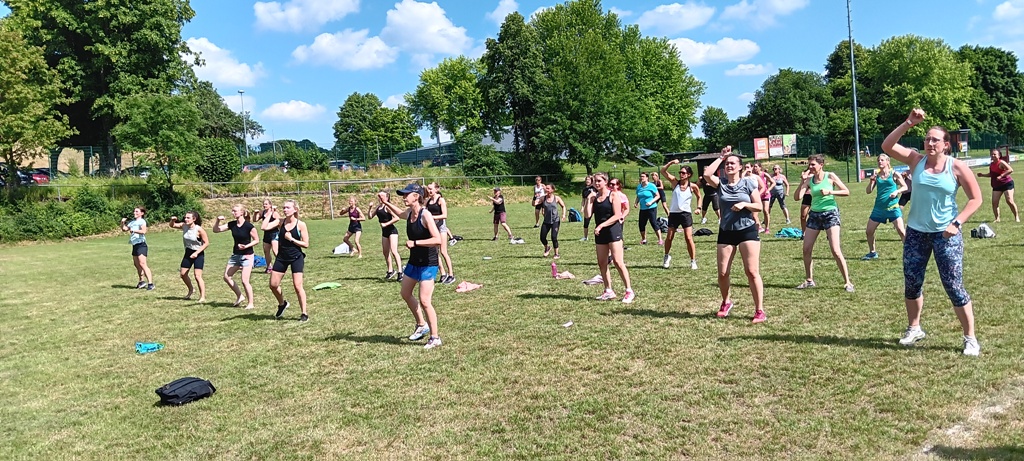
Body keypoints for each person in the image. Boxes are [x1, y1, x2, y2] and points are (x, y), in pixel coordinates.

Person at [882, 108, 983, 356]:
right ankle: (914, 328)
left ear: (946, 145)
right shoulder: (916, 161)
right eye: (927, 139)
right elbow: (887, 146)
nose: (929, 143)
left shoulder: (957, 167)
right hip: (916, 233)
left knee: (954, 286)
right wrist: (909, 122)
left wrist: (956, 223)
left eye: (935, 140)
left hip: (946, 235)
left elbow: (976, 199)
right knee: (912, 283)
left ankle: (970, 338)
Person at [702, 146, 765, 323]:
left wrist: (744, 205)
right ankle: (726, 302)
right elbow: (707, 174)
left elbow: (759, 206)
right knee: (723, 273)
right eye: (727, 164)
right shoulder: (720, 183)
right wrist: (721, 157)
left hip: (747, 230)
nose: (729, 166)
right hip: (726, 231)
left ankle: (759, 310)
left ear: (740, 167)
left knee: (751, 271)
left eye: (732, 163)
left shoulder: (748, 183)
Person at [382, 183, 443, 349]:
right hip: (414, 261)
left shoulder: (426, 215)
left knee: (425, 301)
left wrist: (415, 243)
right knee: (405, 293)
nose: (403, 197)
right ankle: (421, 325)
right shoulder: (410, 213)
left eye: (406, 194)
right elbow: (400, 213)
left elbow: (437, 239)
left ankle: (435, 337)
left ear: (416, 196)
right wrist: (386, 203)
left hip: (428, 263)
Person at [793, 154, 854, 292]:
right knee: (806, 249)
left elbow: (846, 191)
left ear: (821, 165)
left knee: (835, 250)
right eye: (809, 164)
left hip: (830, 214)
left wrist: (830, 191)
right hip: (814, 215)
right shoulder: (809, 180)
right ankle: (809, 280)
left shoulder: (830, 176)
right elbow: (797, 197)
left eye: (813, 164)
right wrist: (802, 182)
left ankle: (848, 282)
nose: (810, 167)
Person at [585, 173, 635, 303]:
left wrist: (601, 225)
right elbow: (587, 215)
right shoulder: (594, 197)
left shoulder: (613, 195)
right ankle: (608, 290)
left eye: (599, 181)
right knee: (602, 262)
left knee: (618, 261)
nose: (596, 183)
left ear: (605, 182)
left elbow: (617, 215)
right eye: (594, 181)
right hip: (600, 232)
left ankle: (629, 291)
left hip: (613, 230)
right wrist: (588, 200)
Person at [270, 200, 310, 322]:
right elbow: (264, 227)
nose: (285, 210)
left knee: (298, 286)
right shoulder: (280, 222)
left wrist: (292, 239)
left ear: (295, 209)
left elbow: (306, 244)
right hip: (282, 257)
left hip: (296, 257)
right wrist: (270, 212)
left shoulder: (300, 224)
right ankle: (282, 304)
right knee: (273, 285)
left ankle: (304, 313)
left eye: (287, 207)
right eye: (284, 208)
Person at [863, 154, 908, 260]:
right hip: (879, 208)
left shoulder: (894, 174)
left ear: (888, 161)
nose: (880, 162)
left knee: (902, 231)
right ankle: (872, 253)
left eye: (882, 160)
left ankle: (910, 253)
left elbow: (905, 187)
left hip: (893, 208)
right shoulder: (876, 176)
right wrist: (871, 181)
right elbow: (868, 191)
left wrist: (896, 191)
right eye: (878, 160)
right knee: (869, 231)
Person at [213, 204, 258, 309]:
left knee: (245, 281)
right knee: (227, 277)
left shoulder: (249, 226)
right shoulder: (232, 224)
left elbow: (256, 240)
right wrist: (217, 221)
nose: (233, 213)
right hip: (236, 255)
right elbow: (216, 230)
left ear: (242, 212)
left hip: (247, 255)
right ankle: (240, 296)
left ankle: (250, 303)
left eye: (235, 211)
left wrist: (246, 246)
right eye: (232, 211)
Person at [660, 160, 701, 270]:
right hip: (674, 214)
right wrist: (671, 162)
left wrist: (698, 208)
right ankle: (666, 256)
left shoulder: (692, 186)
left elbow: (699, 196)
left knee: (688, 238)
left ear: (689, 175)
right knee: (669, 237)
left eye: (683, 173)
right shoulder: (675, 183)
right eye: (680, 172)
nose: (681, 174)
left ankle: (693, 261)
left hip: (686, 214)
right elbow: (663, 171)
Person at [170, 212, 209, 302]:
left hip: (198, 253)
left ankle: (202, 296)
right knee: (183, 274)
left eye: (188, 218)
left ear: (194, 219)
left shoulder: (199, 229)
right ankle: (191, 289)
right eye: (185, 217)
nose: (186, 219)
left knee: (197, 276)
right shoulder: (184, 226)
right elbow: (172, 225)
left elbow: (206, 243)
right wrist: (172, 220)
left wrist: (197, 253)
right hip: (188, 252)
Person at [977, 148, 1019, 222]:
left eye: (994, 154)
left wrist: (1001, 175)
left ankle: (1016, 217)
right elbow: (991, 174)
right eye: (991, 154)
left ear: (999, 155)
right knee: (994, 202)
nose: (993, 155)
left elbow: (1010, 170)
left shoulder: (1001, 162)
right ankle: (997, 219)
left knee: (1009, 201)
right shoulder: (991, 165)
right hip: (997, 185)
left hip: (1007, 184)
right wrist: (982, 175)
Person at [425, 182, 456, 284]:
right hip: (433, 229)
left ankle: (451, 275)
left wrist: (432, 217)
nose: (429, 191)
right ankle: (443, 273)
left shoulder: (440, 200)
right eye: (428, 189)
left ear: (436, 189)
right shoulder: (428, 201)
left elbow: (444, 215)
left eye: (431, 189)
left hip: (441, 228)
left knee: (443, 252)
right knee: (434, 252)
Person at [121, 206, 154, 290]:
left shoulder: (142, 221)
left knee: (143, 264)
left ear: (142, 213)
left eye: (137, 211)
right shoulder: (132, 222)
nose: (134, 213)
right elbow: (125, 229)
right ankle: (141, 281)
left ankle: (150, 283)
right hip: (135, 245)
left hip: (141, 244)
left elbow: (143, 231)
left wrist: (134, 230)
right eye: (134, 211)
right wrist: (122, 223)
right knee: (137, 264)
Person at [373, 191, 403, 281]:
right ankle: (390, 271)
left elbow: (397, 218)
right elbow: (370, 216)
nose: (380, 197)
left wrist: (386, 224)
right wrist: (370, 208)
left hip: (392, 231)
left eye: (381, 196)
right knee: (385, 252)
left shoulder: (387, 207)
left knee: (394, 251)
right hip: (384, 232)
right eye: (379, 196)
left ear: (387, 197)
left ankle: (400, 272)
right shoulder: (378, 207)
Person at [539, 184, 567, 258]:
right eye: (546, 188)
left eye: (548, 188)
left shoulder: (556, 198)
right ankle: (547, 248)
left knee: (554, 237)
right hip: (546, 221)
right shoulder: (543, 198)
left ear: (552, 190)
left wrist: (563, 215)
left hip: (555, 220)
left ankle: (556, 254)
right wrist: (535, 197)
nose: (546, 189)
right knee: (542, 237)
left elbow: (563, 206)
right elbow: (534, 203)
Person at [635, 172, 663, 245]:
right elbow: (638, 196)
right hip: (643, 208)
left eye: (643, 176)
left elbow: (658, 196)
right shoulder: (639, 187)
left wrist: (651, 202)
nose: (641, 178)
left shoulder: (651, 186)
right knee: (641, 224)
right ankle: (644, 239)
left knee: (653, 223)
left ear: (647, 178)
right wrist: (636, 202)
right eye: (641, 176)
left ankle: (660, 239)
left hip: (651, 208)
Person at [254, 198, 280, 273]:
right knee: (266, 251)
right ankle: (269, 267)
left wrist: (271, 225)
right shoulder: (262, 212)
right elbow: (255, 220)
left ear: (270, 205)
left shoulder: (274, 213)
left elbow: (279, 222)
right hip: (267, 234)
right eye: (264, 204)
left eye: (266, 204)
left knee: (275, 251)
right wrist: (255, 213)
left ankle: (280, 266)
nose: (264, 205)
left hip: (274, 233)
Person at [753, 163, 772, 233]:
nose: (755, 168)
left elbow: (773, 182)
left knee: (765, 211)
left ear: (760, 167)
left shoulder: (764, 174)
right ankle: (760, 227)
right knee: (754, 214)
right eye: (754, 166)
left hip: (765, 195)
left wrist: (768, 190)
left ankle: (767, 228)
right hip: (757, 195)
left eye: (756, 166)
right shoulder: (753, 175)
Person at [794, 167, 813, 235]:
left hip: (816, 196)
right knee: (803, 216)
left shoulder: (817, 174)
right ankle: (804, 233)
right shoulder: (805, 173)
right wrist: (807, 172)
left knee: (821, 216)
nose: (811, 166)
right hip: (806, 196)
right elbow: (804, 179)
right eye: (810, 165)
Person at [580, 176, 596, 241]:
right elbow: (583, 200)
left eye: (589, 179)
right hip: (588, 207)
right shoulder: (584, 190)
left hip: (596, 206)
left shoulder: (595, 187)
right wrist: (582, 207)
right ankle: (585, 237)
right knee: (586, 222)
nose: (587, 181)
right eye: (586, 179)